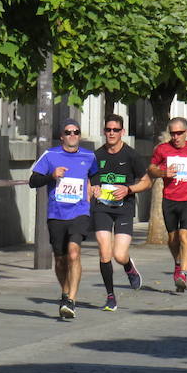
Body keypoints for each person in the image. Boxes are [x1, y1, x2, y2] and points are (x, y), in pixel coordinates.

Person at [29, 118, 98, 318]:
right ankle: (65, 292)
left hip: (80, 212)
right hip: (57, 214)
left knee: (74, 253)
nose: (72, 135)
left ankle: (71, 300)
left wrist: (96, 186)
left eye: (76, 132)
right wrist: (51, 175)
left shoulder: (89, 156)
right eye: (68, 132)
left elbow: (97, 174)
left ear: (80, 135)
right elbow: (33, 181)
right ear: (62, 136)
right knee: (60, 260)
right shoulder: (51, 156)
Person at [89, 114, 151, 311]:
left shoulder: (131, 155)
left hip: (124, 208)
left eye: (116, 130)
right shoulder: (96, 155)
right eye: (108, 130)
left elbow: (147, 181)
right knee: (104, 250)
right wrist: (93, 189)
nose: (111, 133)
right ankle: (110, 296)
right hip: (102, 208)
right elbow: (89, 180)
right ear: (104, 131)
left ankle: (128, 266)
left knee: (119, 254)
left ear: (122, 132)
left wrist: (129, 189)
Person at [147, 117, 187, 292]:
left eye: (179, 133)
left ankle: (183, 274)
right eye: (172, 133)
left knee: (184, 236)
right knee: (172, 239)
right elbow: (151, 168)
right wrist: (163, 172)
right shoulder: (162, 149)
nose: (176, 137)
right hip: (170, 199)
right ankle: (178, 263)